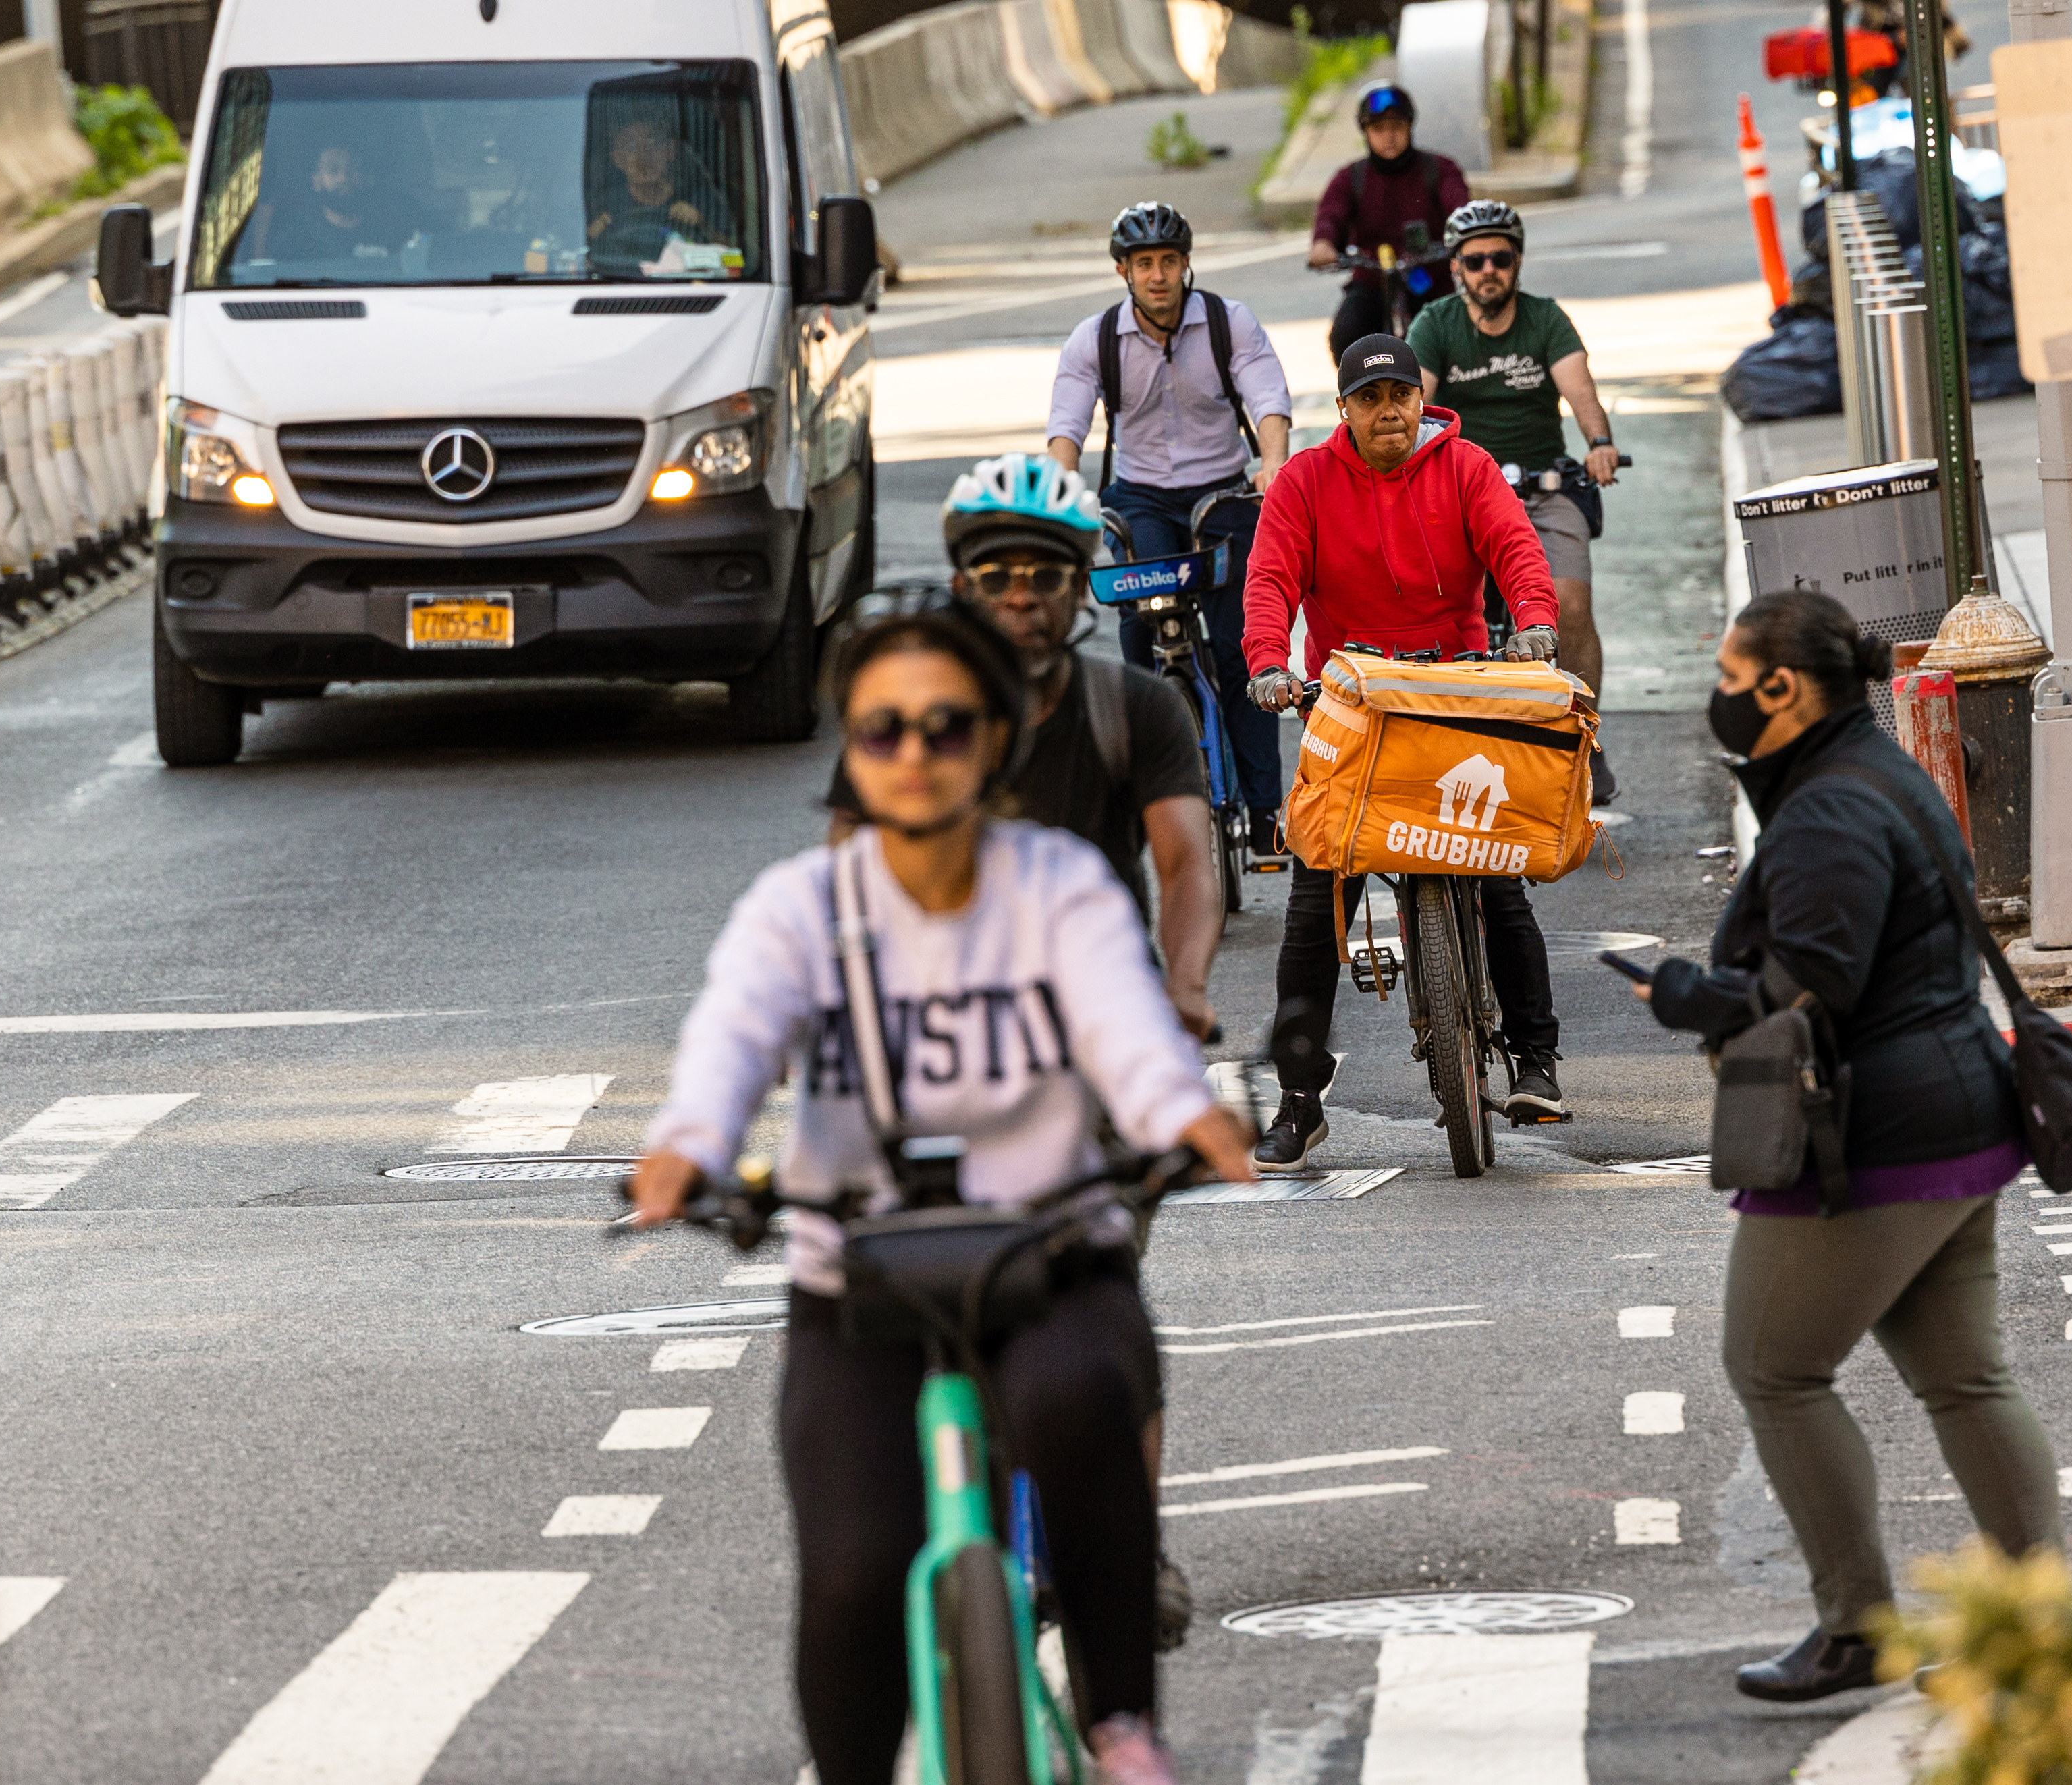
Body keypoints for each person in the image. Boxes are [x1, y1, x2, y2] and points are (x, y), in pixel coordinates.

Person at [628, 600, 1258, 1785]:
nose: (913, 754)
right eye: (881, 732)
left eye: (943, 726)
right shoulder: (798, 909)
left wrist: (1184, 1114)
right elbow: (730, 1039)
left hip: (1054, 1257)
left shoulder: (1058, 886)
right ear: (851, 750)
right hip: (856, 1282)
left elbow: (1129, 1032)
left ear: (994, 740)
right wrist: (689, 1148)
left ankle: (1121, 1726)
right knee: (859, 1563)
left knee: (1080, 1405)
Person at [1635, 587, 2061, 1703]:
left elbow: (1814, 982)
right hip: (1957, 1109)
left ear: (1782, 688)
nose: (1718, 701)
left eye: (1730, 681)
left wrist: (1696, 995)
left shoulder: (1826, 808)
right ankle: (2036, 1622)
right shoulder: (1877, 770)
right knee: (1966, 1379)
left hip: (1872, 1133)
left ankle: (1855, 1626)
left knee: (1772, 1368)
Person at [1240, 334, 1569, 1165]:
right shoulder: (1306, 482)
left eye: (1400, 394)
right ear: (1343, 409)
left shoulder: (1465, 467)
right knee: (1316, 909)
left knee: (1500, 881)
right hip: (1344, 709)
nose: (1387, 410)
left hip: (1450, 696)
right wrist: (1268, 664)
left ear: (1421, 399)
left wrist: (1532, 620)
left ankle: (1535, 1062)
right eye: (1369, 397)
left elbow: (1514, 546)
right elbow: (1270, 578)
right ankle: (1299, 1100)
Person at [827, 455, 1222, 1042]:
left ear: (1082, 588)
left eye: (1046, 577)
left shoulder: (1137, 707)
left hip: (1104, 1000)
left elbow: (1186, 861)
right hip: (943, 1011)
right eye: (994, 578)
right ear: (962, 591)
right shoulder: (903, 722)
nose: (1021, 598)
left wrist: (1185, 987)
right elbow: (849, 872)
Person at [1047, 202, 1292, 858]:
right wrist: (1062, 490)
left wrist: (1272, 464)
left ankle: (1267, 812)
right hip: (1143, 498)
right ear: (1123, 271)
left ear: (1186, 264)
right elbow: (1066, 429)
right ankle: (1155, 776)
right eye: (1143, 264)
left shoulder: (1226, 322)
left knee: (1244, 647)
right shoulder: (1094, 340)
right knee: (1139, 623)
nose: (1157, 275)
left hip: (1223, 493)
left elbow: (1267, 399)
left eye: (1168, 262)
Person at [1410, 198, 1625, 804]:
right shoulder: (1435, 324)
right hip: (1462, 492)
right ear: (1456, 267)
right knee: (1449, 612)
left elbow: (1581, 389)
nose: (1488, 270)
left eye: (1500, 257)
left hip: (1544, 486)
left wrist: (1600, 443)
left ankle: (1585, 745)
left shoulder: (1545, 319)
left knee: (1571, 605)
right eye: (1474, 260)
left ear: (1518, 261)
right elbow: (1415, 409)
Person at [1306, 83, 1471, 363]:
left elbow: (1460, 210)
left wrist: (1467, 238)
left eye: (1396, 127)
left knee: (1458, 337)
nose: (1389, 137)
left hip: (1430, 278)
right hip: (1373, 281)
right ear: (1366, 134)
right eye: (1378, 129)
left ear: (1410, 127)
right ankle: (1360, 402)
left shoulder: (1439, 169)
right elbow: (1331, 214)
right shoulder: (1352, 178)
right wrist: (1324, 245)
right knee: (1346, 335)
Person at [587, 115, 738, 267]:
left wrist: (704, 226)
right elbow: (577, 262)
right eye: (631, 147)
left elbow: (736, 259)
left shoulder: (701, 199)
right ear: (619, 159)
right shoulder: (602, 207)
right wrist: (591, 238)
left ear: (670, 150)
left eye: (654, 144)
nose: (644, 156)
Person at [262, 143, 416, 265]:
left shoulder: (395, 227)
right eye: (333, 170)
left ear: (363, 176)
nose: (344, 177)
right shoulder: (294, 240)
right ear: (317, 181)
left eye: (353, 169)